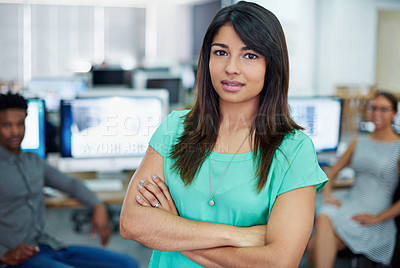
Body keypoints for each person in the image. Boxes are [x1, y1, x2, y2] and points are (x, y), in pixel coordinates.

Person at [119, 2, 328, 267]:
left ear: (272, 65)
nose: (231, 67)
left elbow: (278, 262)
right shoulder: (175, 129)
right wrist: (239, 236)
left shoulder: (294, 150)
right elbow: (132, 223)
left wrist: (173, 230)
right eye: (221, 52)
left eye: (249, 55)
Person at [0, 92, 138, 268]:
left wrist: (97, 205)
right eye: (6, 125)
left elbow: (70, 184)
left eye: (20, 124)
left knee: (127, 264)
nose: (15, 131)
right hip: (18, 257)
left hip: (48, 246)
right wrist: (3, 255)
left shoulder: (32, 161)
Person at [306, 91, 400, 268]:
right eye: (373, 108)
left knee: (314, 244)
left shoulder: (398, 148)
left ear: (394, 113)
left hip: (376, 214)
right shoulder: (359, 141)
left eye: (383, 109)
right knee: (324, 213)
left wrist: (377, 218)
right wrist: (328, 196)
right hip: (350, 205)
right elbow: (329, 173)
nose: (376, 113)